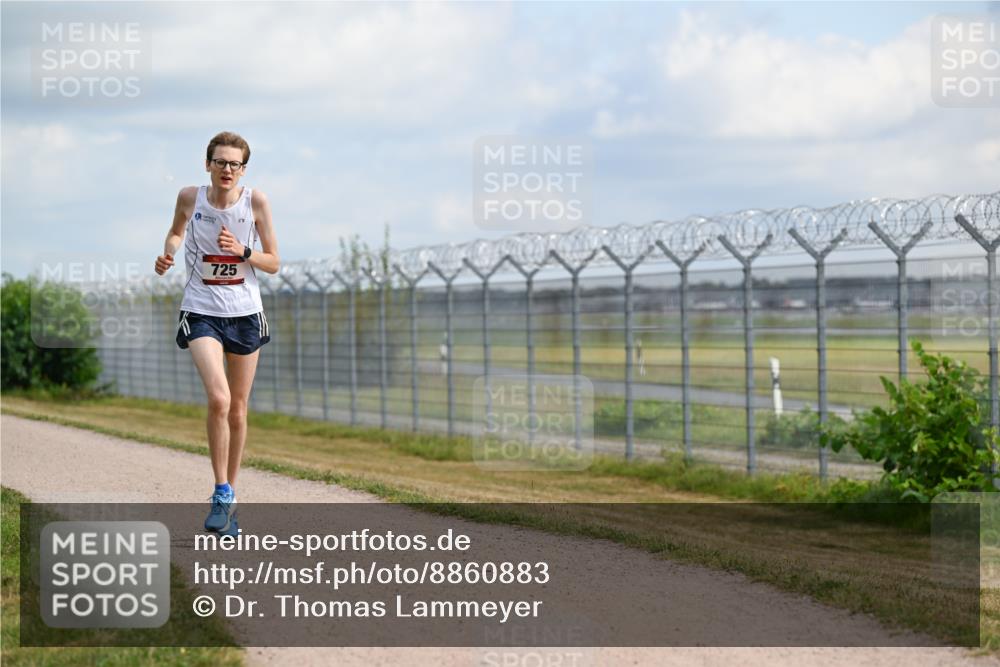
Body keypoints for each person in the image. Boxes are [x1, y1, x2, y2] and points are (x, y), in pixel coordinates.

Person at [154, 131, 280, 536]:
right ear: (207, 163)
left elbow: (274, 262)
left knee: (239, 408)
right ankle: (221, 492)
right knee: (219, 397)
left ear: (244, 169)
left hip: (244, 312)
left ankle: (231, 498)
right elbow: (176, 230)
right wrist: (170, 252)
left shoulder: (254, 202)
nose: (227, 169)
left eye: (235, 164)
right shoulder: (191, 197)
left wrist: (242, 252)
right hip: (201, 309)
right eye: (220, 162)